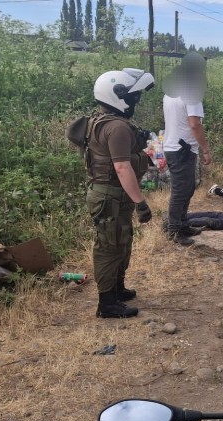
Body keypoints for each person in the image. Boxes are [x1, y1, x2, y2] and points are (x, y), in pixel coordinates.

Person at [85, 68, 155, 319]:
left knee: (121, 242)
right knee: (109, 247)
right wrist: (141, 202)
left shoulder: (102, 120)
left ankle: (117, 289)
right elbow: (122, 167)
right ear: (117, 96)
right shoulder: (117, 127)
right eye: (132, 97)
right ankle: (107, 304)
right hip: (110, 196)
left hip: (111, 194)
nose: (134, 102)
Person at [162, 52, 213, 246]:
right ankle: (174, 230)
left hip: (175, 147)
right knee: (181, 190)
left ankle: (183, 224)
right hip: (182, 150)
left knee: (187, 187)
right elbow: (195, 125)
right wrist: (206, 149)